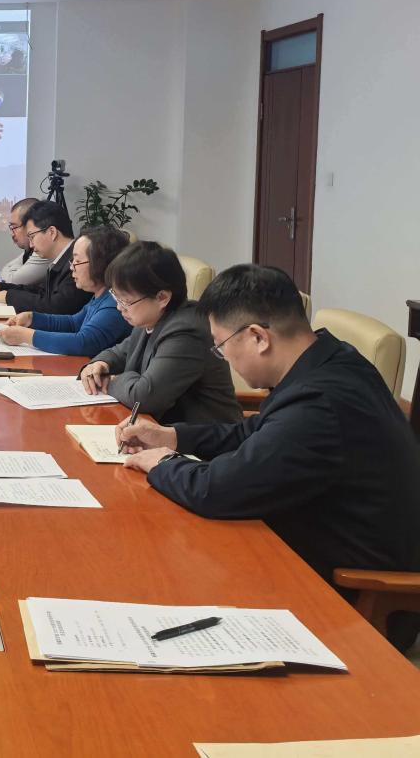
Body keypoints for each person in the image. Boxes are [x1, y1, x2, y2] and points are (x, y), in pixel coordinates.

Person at [118, 264, 420, 649]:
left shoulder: (319, 404)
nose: (223, 358)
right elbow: (255, 432)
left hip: (351, 599)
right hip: (303, 552)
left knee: (160, 584)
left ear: (258, 337)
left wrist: (161, 463)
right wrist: (173, 436)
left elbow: (217, 490)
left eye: (221, 346)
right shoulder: (330, 360)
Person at [80, 241, 241, 424]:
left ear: (162, 297)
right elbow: (120, 352)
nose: (119, 307)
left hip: (202, 437)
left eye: (126, 301)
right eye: (117, 297)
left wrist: (111, 381)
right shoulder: (151, 318)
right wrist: (100, 364)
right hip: (159, 430)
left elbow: (144, 397)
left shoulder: (187, 332)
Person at [0, 225, 130, 357]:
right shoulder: (100, 296)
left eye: (77, 261)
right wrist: (32, 318)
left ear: (101, 264)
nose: (72, 267)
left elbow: (83, 342)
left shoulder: (115, 303)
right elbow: (73, 323)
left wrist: (27, 336)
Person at [0, 200, 89, 316]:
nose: (31, 245)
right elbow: (42, 293)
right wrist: (1, 287)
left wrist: (10, 296)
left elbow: (57, 306)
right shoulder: (63, 259)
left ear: (52, 232)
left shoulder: (78, 261)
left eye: (32, 237)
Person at [0, 197, 49, 290]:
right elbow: (6, 270)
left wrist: (13, 272)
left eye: (14, 227)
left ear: (30, 225)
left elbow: (11, 280)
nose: (12, 234)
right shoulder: (29, 250)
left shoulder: (44, 250)